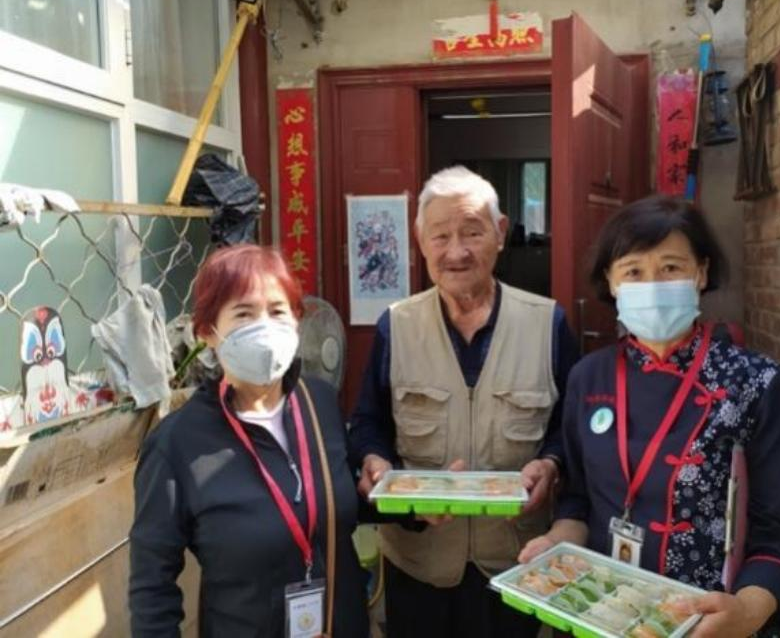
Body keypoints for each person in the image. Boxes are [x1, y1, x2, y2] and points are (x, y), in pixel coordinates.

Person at [519, 195, 780, 638]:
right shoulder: (588, 377)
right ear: (611, 281)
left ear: (702, 273)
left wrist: (747, 612)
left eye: (671, 267)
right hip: (604, 616)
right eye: (634, 271)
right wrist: (553, 544)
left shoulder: (756, 383)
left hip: (710, 622)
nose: (653, 285)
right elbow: (578, 503)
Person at [348, 166, 579, 638]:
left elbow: (570, 429)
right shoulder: (396, 325)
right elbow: (369, 420)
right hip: (418, 561)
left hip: (515, 564)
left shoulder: (548, 324)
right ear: (420, 241)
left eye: (473, 232)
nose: (456, 252)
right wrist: (373, 459)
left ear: (500, 232)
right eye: (440, 236)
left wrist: (552, 462)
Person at [129, 245, 368, 638]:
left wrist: (415, 505)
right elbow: (152, 587)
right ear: (207, 332)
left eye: (277, 311)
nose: (265, 328)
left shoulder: (320, 403)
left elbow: (341, 501)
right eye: (244, 314)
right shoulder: (176, 444)